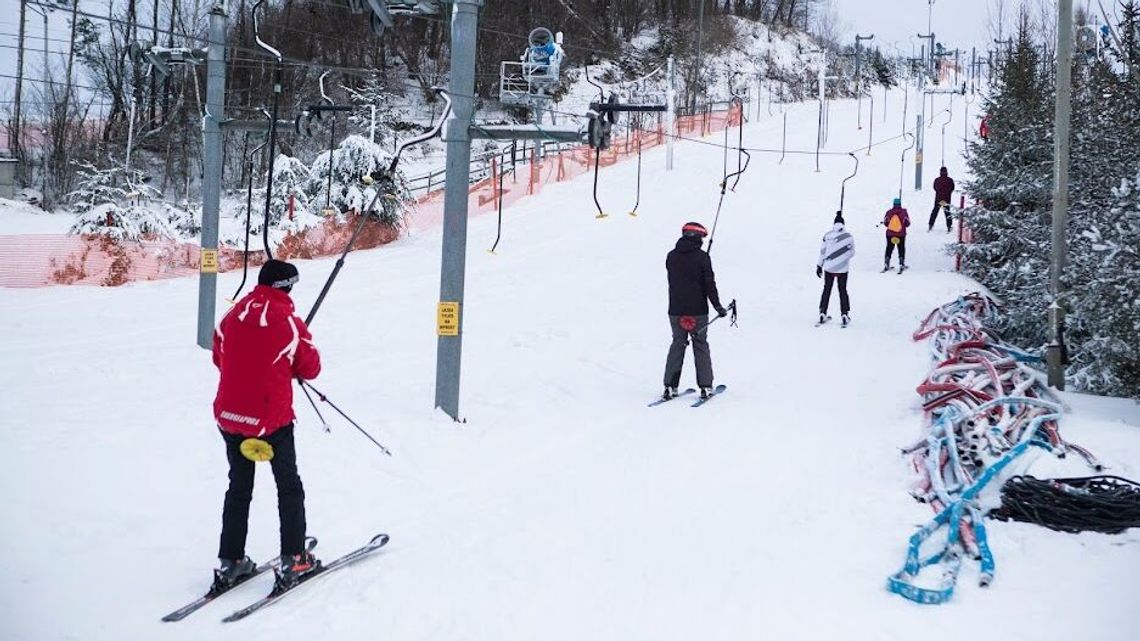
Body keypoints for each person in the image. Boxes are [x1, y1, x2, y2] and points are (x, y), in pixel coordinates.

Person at [212, 259, 322, 592]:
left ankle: (231, 560)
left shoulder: (232, 315)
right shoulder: (289, 322)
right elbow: (311, 367)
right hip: (270, 421)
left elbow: (219, 356)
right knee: (289, 487)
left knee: (239, 486)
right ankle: (295, 557)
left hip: (230, 417)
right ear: (285, 287)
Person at [663, 222, 727, 401]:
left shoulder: (671, 256)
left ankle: (670, 386)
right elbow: (709, 285)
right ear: (697, 237)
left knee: (678, 343)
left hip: (675, 310)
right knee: (700, 344)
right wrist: (718, 307)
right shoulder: (702, 257)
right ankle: (706, 387)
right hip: (698, 311)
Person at [816, 211, 855, 326]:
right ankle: (844, 314)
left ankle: (822, 312)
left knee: (827, 289)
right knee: (842, 290)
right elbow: (852, 252)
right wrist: (843, 258)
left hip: (829, 268)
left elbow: (822, 252)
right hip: (843, 269)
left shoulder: (827, 235)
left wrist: (819, 265)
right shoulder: (849, 236)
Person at [883, 198, 911, 272]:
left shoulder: (889, 212)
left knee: (889, 248)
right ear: (900, 204)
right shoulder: (904, 212)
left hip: (890, 234)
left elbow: (886, 223)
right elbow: (907, 223)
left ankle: (886, 263)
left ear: (893, 204)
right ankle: (901, 263)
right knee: (901, 248)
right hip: (901, 234)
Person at [929, 167, 956, 232]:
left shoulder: (937, 180)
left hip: (938, 199)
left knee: (935, 212)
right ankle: (949, 226)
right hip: (946, 199)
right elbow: (952, 188)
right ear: (946, 172)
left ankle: (930, 225)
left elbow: (935, 188)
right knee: (947, 213)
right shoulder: (950, 180)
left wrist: (939, 192)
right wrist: (948, 193)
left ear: (940, 172)